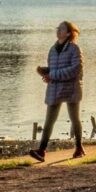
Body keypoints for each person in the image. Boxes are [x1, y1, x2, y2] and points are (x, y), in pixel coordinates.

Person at [30, 20, 83, 162]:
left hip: (71, 89)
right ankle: (41, 151)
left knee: (74, 119)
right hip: (54, 89)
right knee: (49, 121)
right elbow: (54, 69)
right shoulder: (52, 50)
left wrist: (52, 75)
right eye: (58, 28)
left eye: (62, 29)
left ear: (68, 33)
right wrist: (44, 72)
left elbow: (75, 69)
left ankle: (79, 148)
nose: (58, 31)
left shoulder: (74, 49)